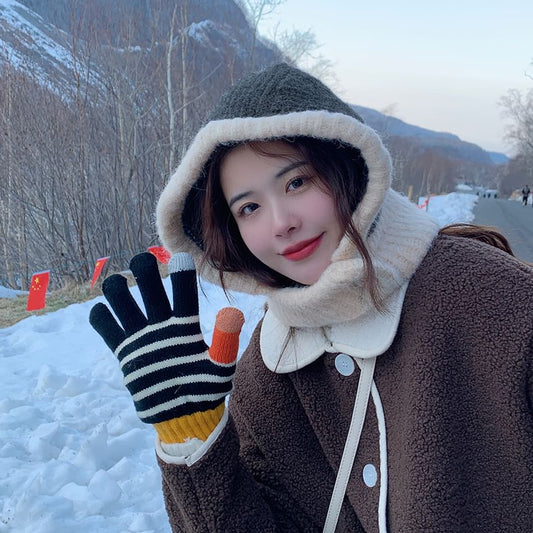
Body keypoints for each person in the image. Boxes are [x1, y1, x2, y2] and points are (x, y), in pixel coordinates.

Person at [90, 63, 533, 532]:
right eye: (249, 207)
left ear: (350, 167)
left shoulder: (496, 300)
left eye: (296, 182)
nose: (281, 222)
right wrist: (191, 434)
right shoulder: (269, 368)